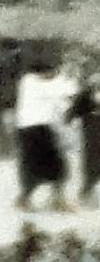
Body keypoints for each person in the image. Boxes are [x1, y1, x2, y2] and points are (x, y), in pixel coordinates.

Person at [15, 60, 75, 212]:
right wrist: (66, 81)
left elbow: (63, 100)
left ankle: (57, 199)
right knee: (33, 168)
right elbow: (59, 92)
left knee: (59, 167)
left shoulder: (44, 83)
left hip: (44, 129)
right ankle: (24, 200)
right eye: (51, 71)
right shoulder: (29, 82)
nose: (53, 74)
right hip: (30, 129)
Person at [67, 73, 100, 207]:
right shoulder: (85, 95)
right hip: (92, 133)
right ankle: (85, 194)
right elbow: (72, 112)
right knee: (92, 165)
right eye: (95, 83)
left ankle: (87, 193)